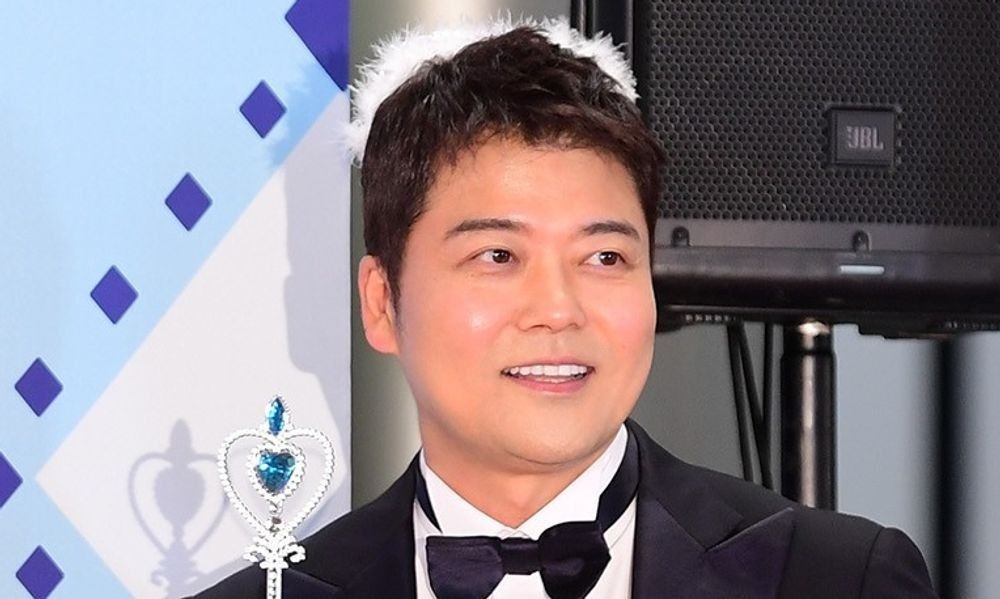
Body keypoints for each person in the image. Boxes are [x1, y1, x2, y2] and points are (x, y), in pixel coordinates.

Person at [193, 17, 937, 598]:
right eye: (498, 256)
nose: (558, 309)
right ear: (382, 302)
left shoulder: (839, 579)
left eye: (604, 258)